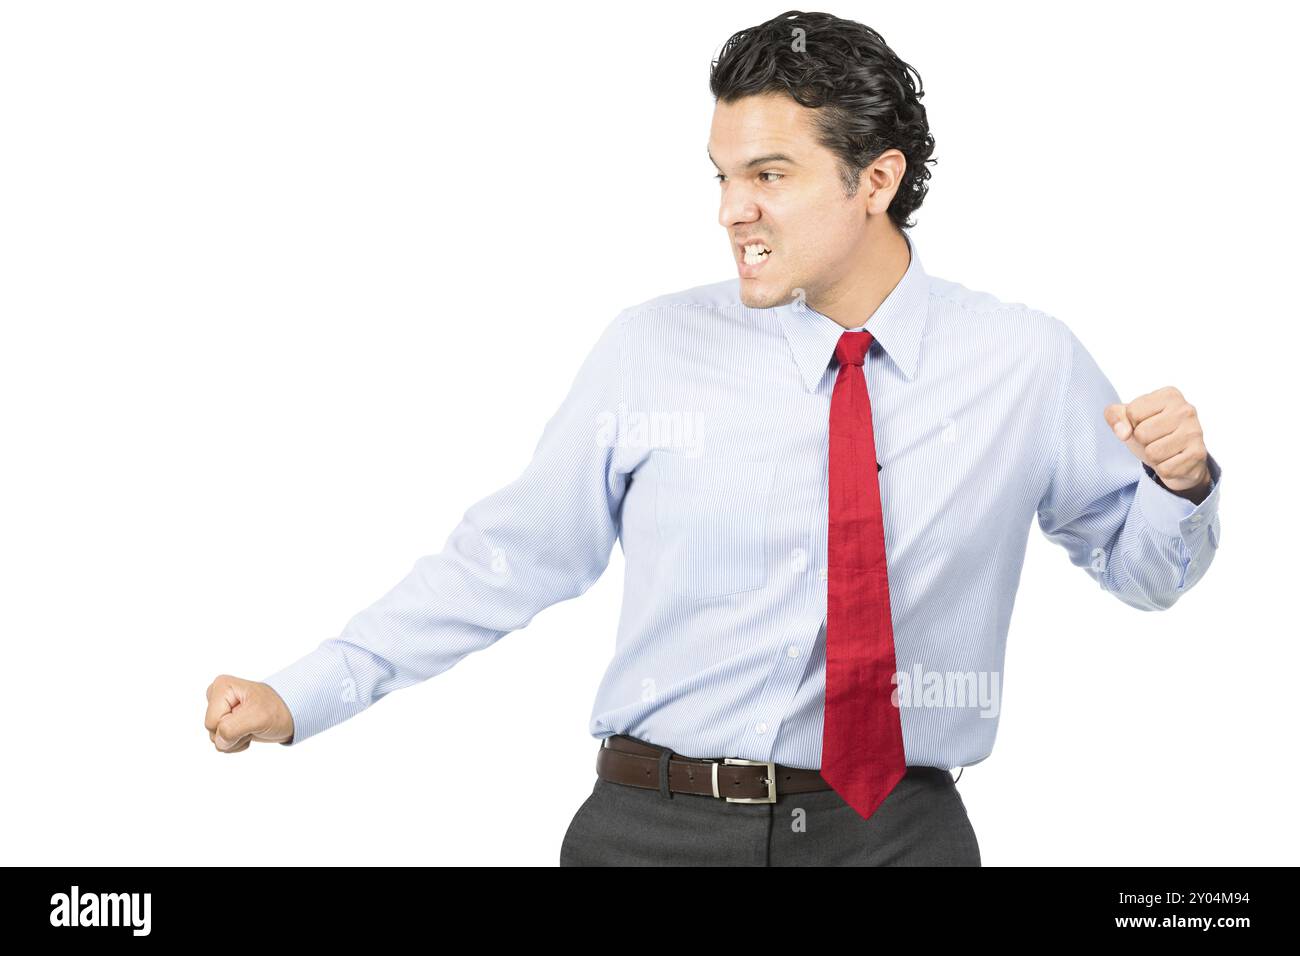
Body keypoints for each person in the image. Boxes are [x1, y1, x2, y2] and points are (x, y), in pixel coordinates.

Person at [204, 10, 1223, 866]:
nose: (732, 210)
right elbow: (506, 559)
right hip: (651, 830)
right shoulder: (650, 349)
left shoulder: (1023, 361)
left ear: (875, 179)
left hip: (895, 837)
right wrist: (304, 690)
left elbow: (1145, 574)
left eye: (769, 175)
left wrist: (1178, 484)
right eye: (722, 175)